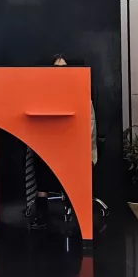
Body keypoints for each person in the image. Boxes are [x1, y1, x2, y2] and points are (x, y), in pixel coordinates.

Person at [26, 54, 98, 229]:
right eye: (57, 68)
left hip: (76, 146)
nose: (61, 72)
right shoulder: (44, 93)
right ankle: (42, 212)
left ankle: (76, 207)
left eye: (65, 68)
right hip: (51, 144)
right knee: (39, 158)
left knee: (68, 161)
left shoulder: (80, 91)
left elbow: (90, 125)